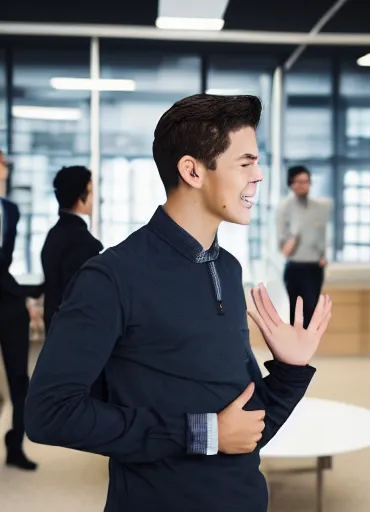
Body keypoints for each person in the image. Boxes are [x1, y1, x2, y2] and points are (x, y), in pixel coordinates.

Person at [25, 94, 332, 512]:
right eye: (245, 163)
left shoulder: (228, 268)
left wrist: (291, 373)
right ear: (192, 170)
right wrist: (201, 433)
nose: (259, 176)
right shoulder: (111, 276)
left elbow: (244, 430)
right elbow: (48, 414)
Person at [0, 150, 37, 470]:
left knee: (19, 379)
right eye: (1, 164)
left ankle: (16, 445)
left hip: (8, 302)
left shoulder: (10, 210)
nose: (5, 170)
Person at [41, 166, 102, 333]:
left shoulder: (53, 235)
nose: (94, 198)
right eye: (91, 192)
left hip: (53, 324)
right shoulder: (84, 243)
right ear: (80, 197)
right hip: (74, 330)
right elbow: (82, 296)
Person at [276, 165, 332, 328]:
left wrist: (322, 255)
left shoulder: (318, 207)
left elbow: (322, 233)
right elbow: (284, 249)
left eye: (306, 182)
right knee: (298, 312)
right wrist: (296, 232)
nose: (303, 185)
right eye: (299, 182)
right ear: (291, 184)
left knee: (312, 310)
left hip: (314, 268)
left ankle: (306, 349)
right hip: (295, 267)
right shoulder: (285, 208)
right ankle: (297, 350)